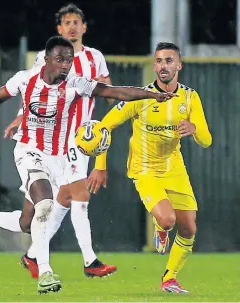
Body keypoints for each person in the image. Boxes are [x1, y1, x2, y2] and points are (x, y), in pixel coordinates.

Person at [0, 36, 174, 294]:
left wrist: (152, 95)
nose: (65, 65)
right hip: (28, 150)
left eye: (69, 60)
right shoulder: (24, 79)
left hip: (56, 160)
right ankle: (46, 272)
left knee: (28, 223)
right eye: (60, 59)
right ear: (47, 59)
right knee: (46, 204)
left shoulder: (76, 84)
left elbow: (114, 91)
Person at [2, 3, 117, 279]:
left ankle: (32, 256)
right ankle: (90, 261)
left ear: (84, 27)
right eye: (67, 22)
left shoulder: (95, 57)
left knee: (60, 201)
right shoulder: (47, 56)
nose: (72, 27)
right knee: (79, 196)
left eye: (76, 22)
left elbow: (107, 88)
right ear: (59, 29)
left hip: (85, 137)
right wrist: (20, 116)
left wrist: (116, 101)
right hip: (60, 137)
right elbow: (33, 91)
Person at [87, 42, 212, 293]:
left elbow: (207, 140)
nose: (163, 65)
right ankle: (161, 226)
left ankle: (169, 278)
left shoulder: (190, 97)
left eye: (168, 60)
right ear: (154, 66)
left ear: (179, 65)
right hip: (144, 169)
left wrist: (195, 130)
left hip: (175, 169)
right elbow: (104, 127)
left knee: (189, 227)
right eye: (158, 61)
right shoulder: (139, 96)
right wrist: (100, 166)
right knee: (167, 219)